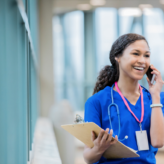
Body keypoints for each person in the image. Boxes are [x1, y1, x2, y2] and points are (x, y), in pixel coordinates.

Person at [83, 33, 164, 164]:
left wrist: (155, 95)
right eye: (136, 54)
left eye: (146, 55)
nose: (142, 61)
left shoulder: (156, 99)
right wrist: (98, 149)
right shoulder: (96, 102)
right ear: (118, 57)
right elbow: (88, 157)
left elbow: (158, 142)